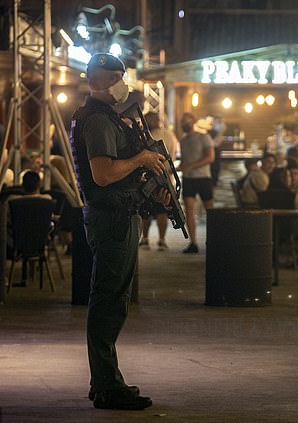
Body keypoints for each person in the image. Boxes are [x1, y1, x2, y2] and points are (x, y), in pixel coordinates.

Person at [70, 53, 171, 410]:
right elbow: (103, 174)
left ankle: (105, 382)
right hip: (111, 219)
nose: (120, 83)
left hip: (120, 215)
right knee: (108, 303)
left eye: (121, 76)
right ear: (94, 81)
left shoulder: (109, 117)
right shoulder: (97, 121)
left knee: (114, 301)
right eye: (113, 76)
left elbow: (118, 173)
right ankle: (107, 386)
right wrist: (142, 159)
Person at [139, 111, 179, 251]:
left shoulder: (150, 136)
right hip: (166, 177)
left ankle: (146, 239)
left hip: (152, 177)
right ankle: (161, 240)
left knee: (147, 211)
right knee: (161, 212)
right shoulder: (169, 135)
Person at [178, 112, 215, 254]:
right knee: (188, 211)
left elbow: (210, 157)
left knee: (210, 211)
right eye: (183, 122)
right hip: (189, 179)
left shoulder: (204, 137)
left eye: (186, 121)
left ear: (193, 121)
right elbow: (184, 161)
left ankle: (214, 239)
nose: (184, 124)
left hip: (203, 177)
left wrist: (191, 166)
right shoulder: (183, 140)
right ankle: (193, 242)